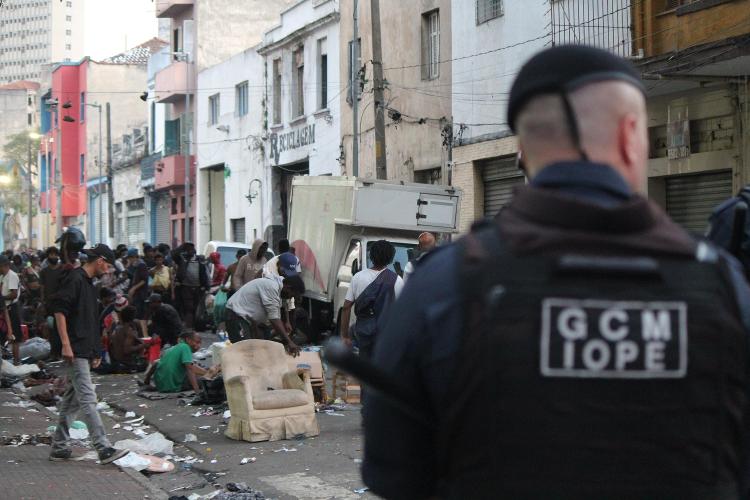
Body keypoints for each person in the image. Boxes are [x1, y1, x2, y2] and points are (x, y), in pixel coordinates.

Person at [360, 45, 750, 499]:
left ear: (523, 150)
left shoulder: (443, 286)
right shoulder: (723, 285)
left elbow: (395, 476)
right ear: (629, 134)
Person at [48, 243, 128, 464]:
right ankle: (103, 448)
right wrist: (66, 344)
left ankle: (59, 446)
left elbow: (90, 322)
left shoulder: (89, 285)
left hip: (83, 349)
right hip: (74, 349)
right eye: (109, 265)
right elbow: (59, 311)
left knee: (72, 401)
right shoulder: (74, 279)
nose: (109, 270)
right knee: (88, 399)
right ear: (100, 260)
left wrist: (96, 350)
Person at [339, 240, 403, 361]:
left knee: (363, 369)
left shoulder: (358, 277)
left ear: (371, 256)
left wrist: (345, 336)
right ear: (390, 259)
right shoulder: (397, 280)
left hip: (362, 334)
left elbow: (346, 308)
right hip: (385, 336)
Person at [225, 275, 304, 356]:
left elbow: (283, 306)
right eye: (292, 295)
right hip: (236, 315)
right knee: (244, 350)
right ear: (288, 287)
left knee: (257, 350)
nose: (291, 297)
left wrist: (287, 323)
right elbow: (274, 318)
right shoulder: (272, 287)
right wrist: (289, 341)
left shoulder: (281, 287)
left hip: (248, 319)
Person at [142, 330, 207, 393]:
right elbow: (189, 369)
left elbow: (155, 363)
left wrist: (146, 380)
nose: (199, 346)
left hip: (160, 386)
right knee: (206, 380)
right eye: (197, 342)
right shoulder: (185, 347)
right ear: (188, 340)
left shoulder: (171, 349)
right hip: (173, 386)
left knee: (199, 370)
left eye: (200, 343)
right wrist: (197, 390)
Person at [172, 242, 208, 329]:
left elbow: (204, 275)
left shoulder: (199, 261)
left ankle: (193, 326)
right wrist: (182, 246)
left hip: (198, 288)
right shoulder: (182, 260)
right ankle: (189, 327)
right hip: (185, 287)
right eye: (188, 250)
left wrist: (205, 286)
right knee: (189, 308)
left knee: (195, 308)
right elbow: (173, 254)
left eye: (191, 249)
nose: (189, 251)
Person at [108, 305, 147, 373]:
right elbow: (127, 350)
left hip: (116, 363)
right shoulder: (129, 331)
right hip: (126, 365)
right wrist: (143, 345)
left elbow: (111, 346)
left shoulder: (117, 329)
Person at [0, 255, 22, 364]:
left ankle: (16, 360)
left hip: (12, 308)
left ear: (5, 266)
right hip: (4, 308)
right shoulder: (2, 276)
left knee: (15, 337)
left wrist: (2, 298)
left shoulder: (12, 276)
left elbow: (13, 294)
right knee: (5, 336)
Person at [126, 248, 149, 335]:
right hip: (137, 295)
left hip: (141, 295)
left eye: (130, 258)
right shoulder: (136, 266)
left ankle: (142, 333)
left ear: (134, 257)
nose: (129, 260)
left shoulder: (141, 265)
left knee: (139, 315)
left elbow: (143, 280)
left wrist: (133, 288)